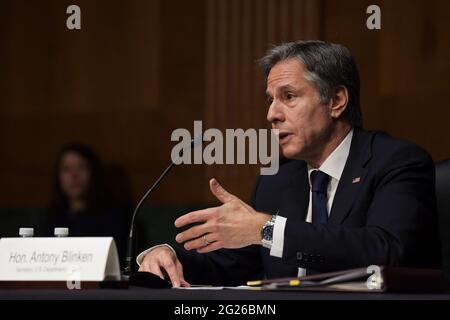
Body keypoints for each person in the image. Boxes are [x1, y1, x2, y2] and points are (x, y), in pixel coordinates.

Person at [137, 40, 441, 287]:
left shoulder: (396, 161)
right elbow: (233, 267)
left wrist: (267, 229)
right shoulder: (278, 180)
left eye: (289, 96)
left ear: (336, 100)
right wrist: (167, 257)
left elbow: (387, 250)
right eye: (270, 99)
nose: (272, 114)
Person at [48, 143, 127, 263]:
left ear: (93, 173)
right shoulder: (51, 219)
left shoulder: (115, 219)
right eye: (66, 169)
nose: (74, 175)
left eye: (81, 167)